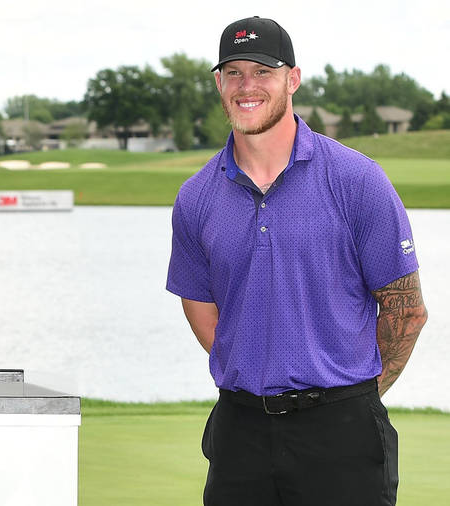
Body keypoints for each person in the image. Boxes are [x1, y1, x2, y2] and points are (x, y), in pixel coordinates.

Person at [166, 17, 427, 506]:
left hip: (342, 432)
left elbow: (406, 310)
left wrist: (352, 399)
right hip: (239, 431)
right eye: (234, 72)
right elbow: (201, 309)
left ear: (293, 79)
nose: (247, 86)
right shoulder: (195, 197)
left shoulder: (357, 180)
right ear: (218, 82)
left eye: (263, 71)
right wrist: (259, 368)